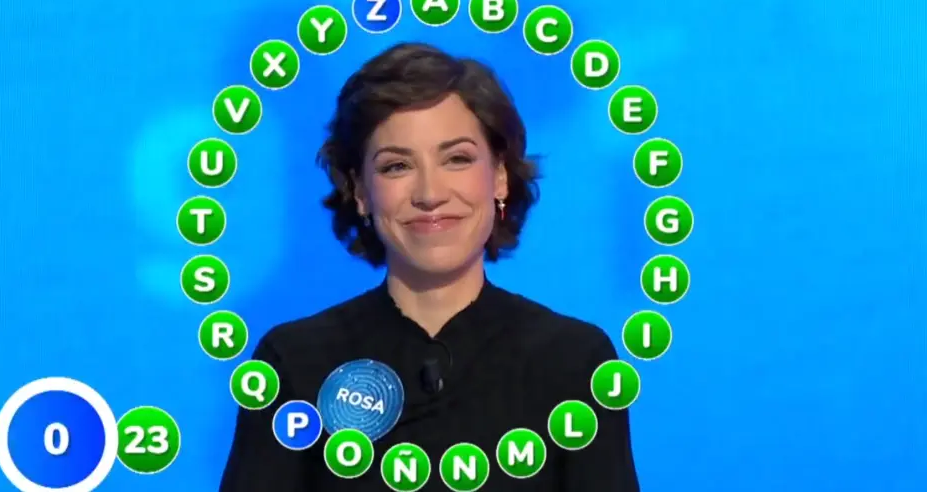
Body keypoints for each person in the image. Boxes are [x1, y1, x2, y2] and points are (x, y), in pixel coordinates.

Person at [219, 42, 640, 491]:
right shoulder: (294, 363)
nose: (429, 194)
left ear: (499, 175)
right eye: (396, 166)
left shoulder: (573, 362)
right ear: (360, 191)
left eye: (457, 159)